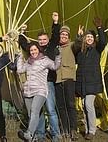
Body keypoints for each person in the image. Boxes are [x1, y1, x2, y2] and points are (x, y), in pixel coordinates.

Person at [18, 13, 61, 142]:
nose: (42, 41)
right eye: (40, 39)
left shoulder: (50, 47)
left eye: (44, 39)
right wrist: (22, 32)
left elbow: (55, 36)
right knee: (38, 111)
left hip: (47, 83)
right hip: (33, 85)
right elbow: (24, 43)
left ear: (47, 40)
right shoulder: (33, 51)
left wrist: (55, 23)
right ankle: (40, 134)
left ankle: (56, 134)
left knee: (50, 109)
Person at [74, 17, 107, 140]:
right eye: (87, 37)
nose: (89, 39)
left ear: (94, 39)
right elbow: (75, 47)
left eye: (91, 37)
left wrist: (99, 28)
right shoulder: (81, 51)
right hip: (82, 82)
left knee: (88, 104)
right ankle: (88, 129)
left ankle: (92, 130)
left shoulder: (97, 49)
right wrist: (78, 36)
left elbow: (103, 41)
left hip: (92, 83)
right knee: (83, 105)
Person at [54, 14, 79, 141]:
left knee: (70, 104)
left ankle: (73, 129)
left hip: (69, 78)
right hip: (58, 79)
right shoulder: (56, 48)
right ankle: (64, 129)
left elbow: (79, 46)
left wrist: (79, 36)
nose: (63, 37)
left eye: (65, 35)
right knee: (61, 106)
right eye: (61, 35)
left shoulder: (72, 45)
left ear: (69, 37)